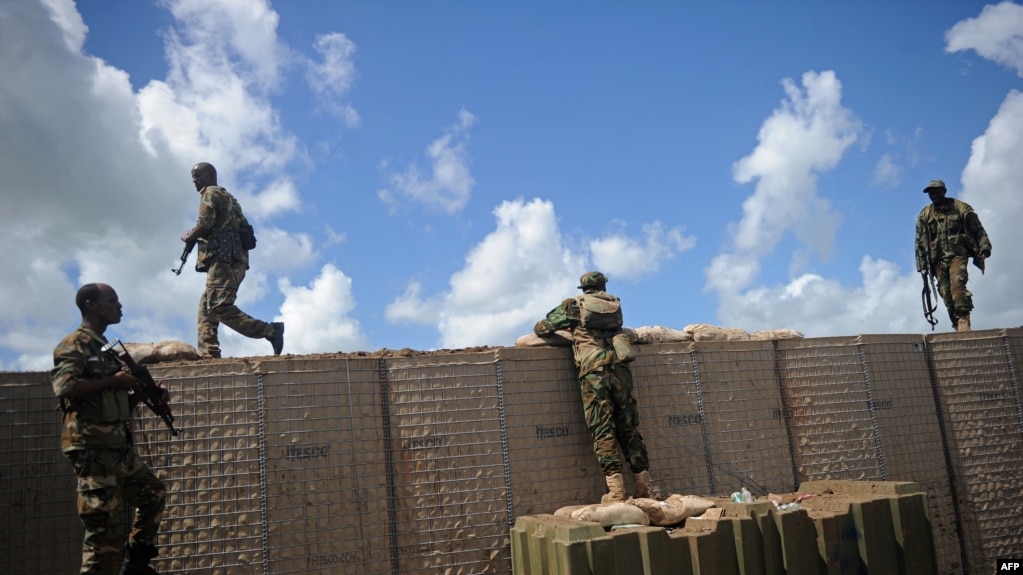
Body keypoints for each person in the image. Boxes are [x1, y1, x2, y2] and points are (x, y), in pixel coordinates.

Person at [51, 284, 168, 575]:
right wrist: (114, 381)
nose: (119, 305)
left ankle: (136, 564)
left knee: (153, 494)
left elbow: (113, 403)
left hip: (118, 449)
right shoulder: (74, 344)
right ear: (91, 305)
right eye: (112, 301)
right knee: (104, 535)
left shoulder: (108, 352)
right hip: (92, 450)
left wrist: (143, 393)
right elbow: (64, 387)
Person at [534, 271, 661, 502]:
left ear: (583, 289)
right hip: (619, 368)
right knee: (628, 427)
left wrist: (570, 330)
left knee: (603, 428)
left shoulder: (573, 305)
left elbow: (542, 328)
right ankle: (644, 488)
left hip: (595, 372)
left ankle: (617, 492)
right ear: (603, 286)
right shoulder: (614, 304)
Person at [181, 162, 284, 357]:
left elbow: (205, 223)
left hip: (224, 259)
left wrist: (189, 235)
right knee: (206, 306)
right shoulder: (229, 198)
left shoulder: (210, 193)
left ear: (211, 175)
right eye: (193, 177)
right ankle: (208, 353)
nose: (195, 181)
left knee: (218, 306)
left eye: (199, 176)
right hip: (233, 260)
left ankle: (270, 331)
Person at [915, 179, 992, 332]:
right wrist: (922, 266)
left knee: (958, 284)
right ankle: (957, 324)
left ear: (944, 191)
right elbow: (919, 243)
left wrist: (984, 247)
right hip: (937, 260)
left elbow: (978, 230)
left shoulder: (961, 208)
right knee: (946, 295)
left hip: (958, 254)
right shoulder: (925, 215)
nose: (934, 195)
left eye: (936, 191)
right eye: (931, 193)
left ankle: (963, 318)